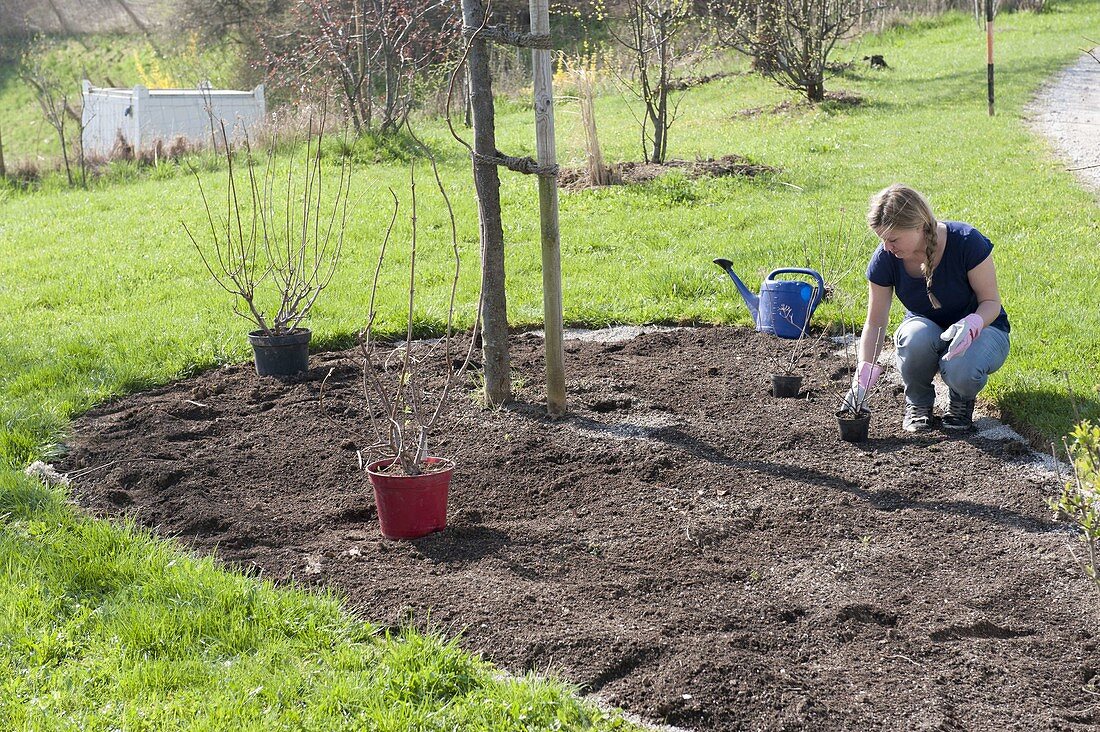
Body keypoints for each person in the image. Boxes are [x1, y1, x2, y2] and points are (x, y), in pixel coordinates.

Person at [843, 184, 1011, 432]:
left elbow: (991, 303)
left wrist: (972, 324)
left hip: (984, 329)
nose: (887, 247)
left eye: (893, 239)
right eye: (882, 240)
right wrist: (862, 377)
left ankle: (961, 400)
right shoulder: (886, 259)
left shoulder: (966, 242)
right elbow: (875, 323)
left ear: (919, 225)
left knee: (961, 369)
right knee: (912, 338)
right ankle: (918, 403)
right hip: (927, 332)